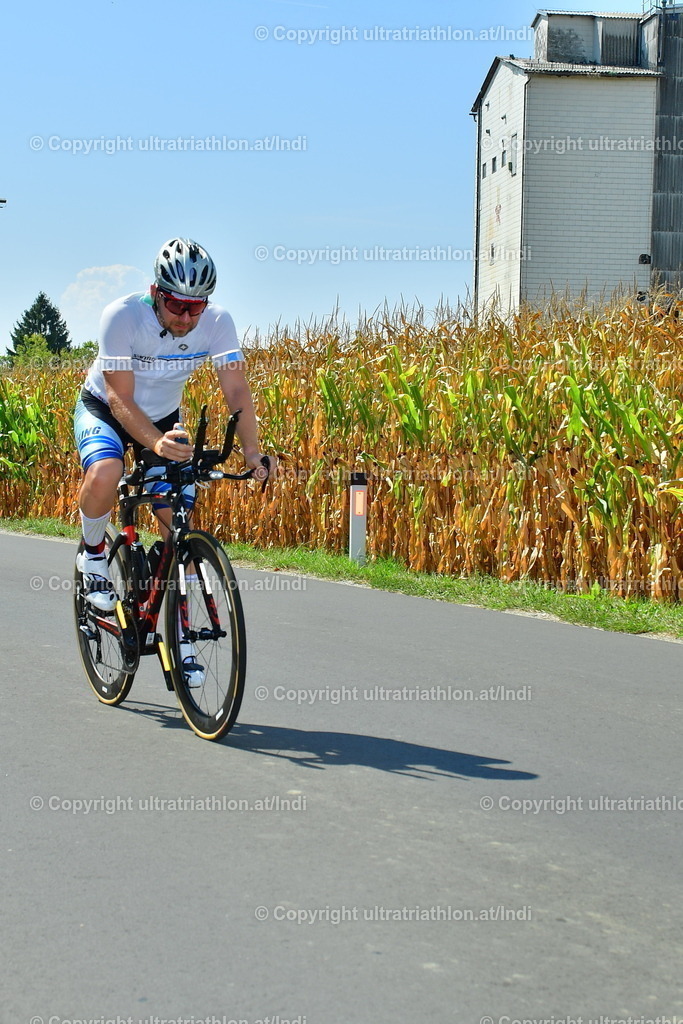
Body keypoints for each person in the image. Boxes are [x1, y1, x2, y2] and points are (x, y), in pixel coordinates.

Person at [74, 237, 275, 684]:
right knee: (106, 470)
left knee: (176, 525)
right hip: (105, 409)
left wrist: (252, 450)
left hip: (164, 417)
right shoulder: (122, 315)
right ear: (155, 292)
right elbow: (119, 399)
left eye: (195, 307)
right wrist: (157, 444)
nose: (185, 318)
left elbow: (236, 390)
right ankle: (93, 554)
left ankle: (182, 641)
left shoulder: (217, 322)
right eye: (176, 305)